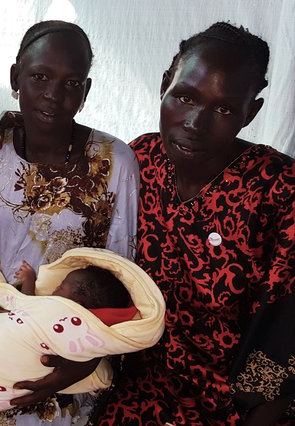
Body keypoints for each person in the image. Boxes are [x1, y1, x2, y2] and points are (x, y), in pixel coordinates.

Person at [95, 22, 295, 425]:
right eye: (185, 96)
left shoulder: (279, 189)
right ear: (165, 83)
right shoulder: (140, 160)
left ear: (250, 111)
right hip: (136, 382)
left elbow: (285, 332)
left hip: (236, 402)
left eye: (223, 109)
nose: (195, 123)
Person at [0, 20, 140, 425]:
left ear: (86, 92)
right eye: (39, 77)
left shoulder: (114, 163)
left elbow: (119, 272)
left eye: (72, 83)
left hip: (71, 340)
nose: (54, 95)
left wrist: (80, 363)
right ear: (15, 77)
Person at [0, 248, 163, 418]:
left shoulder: (61, 316)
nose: (56, 288)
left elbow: (26, 305)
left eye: (64, 286)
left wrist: (86, 361)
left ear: (84, 299)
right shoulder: (52, 310)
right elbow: (24, 305)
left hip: (4, 382)